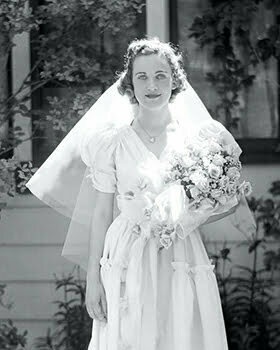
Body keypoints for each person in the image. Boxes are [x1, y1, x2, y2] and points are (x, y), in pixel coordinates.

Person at [26, 37, 256, 350]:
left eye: (160, 75)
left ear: (174, 80)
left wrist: (224, 201)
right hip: (126, 255)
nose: (151, 85)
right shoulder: (112, 142)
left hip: (179, 254)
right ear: (129, 83)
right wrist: (93, 279)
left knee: (179, 333)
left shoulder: (198, 141)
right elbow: (101, 212)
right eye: (142, 76)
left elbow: (217, 195)